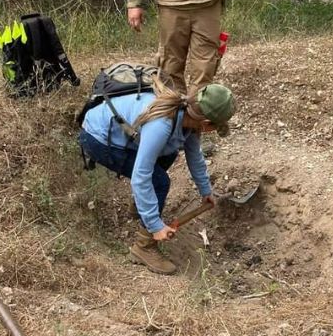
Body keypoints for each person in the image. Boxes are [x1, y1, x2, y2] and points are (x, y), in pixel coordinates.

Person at [78, 82, 236, 275]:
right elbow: (141, 175)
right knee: (159, 182)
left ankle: (140, 207)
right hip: (97, 137)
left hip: (120, 133)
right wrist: (155, 225)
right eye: (216, 127)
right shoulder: (161, 125)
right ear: (206, 123)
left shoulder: (189, 119)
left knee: (168, 154)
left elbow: (194, 156)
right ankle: (143, 248)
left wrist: (205, 190)